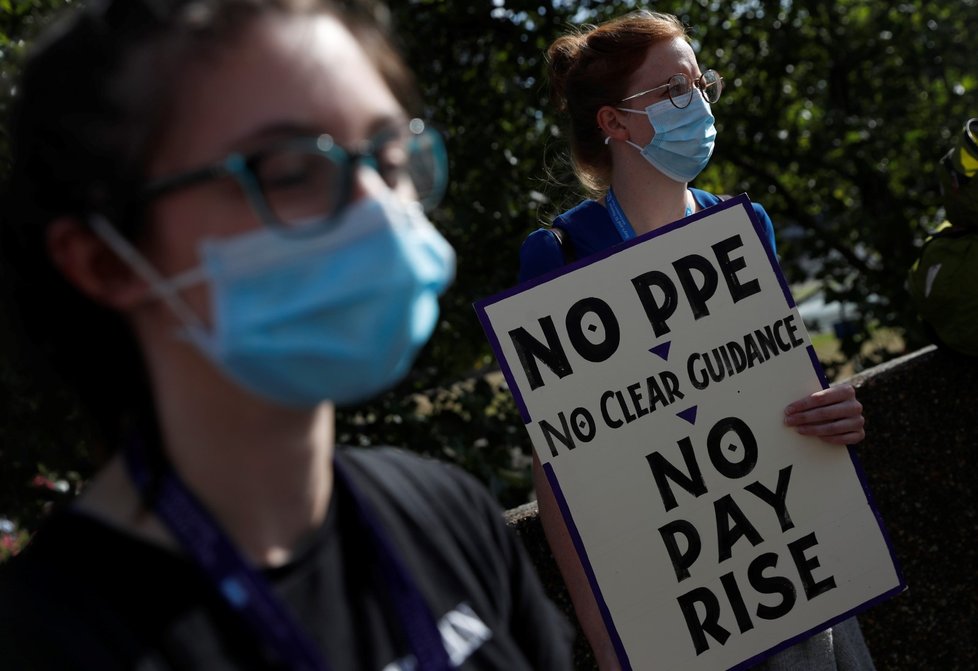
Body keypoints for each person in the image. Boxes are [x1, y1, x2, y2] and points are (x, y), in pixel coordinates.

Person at [0, 1, 574, 669]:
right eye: (290, 172)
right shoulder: (45, 641)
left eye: (388, 157)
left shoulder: (445, 514)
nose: (377, 209)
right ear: (103, 259)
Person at [518, 11, 871, 671]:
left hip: (797, 579)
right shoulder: (559, 255)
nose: (699, 102)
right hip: (673, 606)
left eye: (701, 83)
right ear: (614, 123)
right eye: (675, 90)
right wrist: (602, 634)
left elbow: (780, 387)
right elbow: (557, 463)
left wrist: (835, 412)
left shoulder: (745, 226)